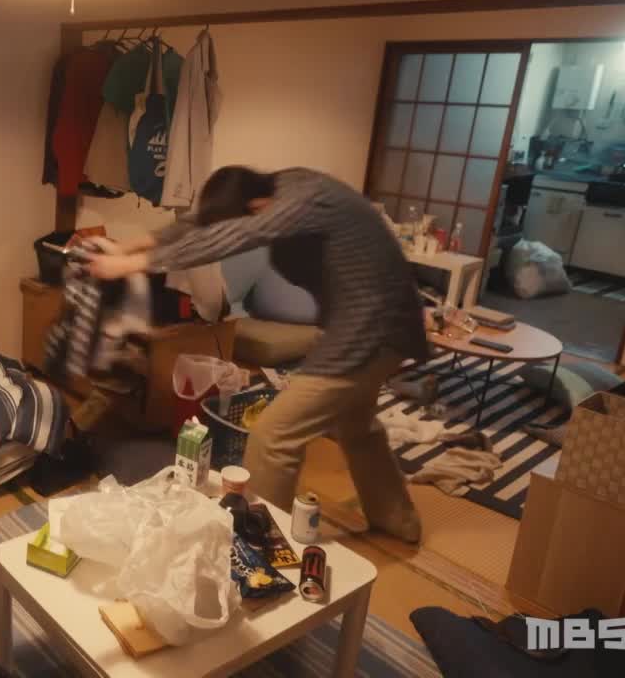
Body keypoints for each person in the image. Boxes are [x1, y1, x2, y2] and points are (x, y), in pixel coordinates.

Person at [89, 166, 428, 543]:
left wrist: (130, 265)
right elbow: (197, 225)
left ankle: (260, 546)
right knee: (357, 425)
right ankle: (399, 521)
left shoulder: (303, 199)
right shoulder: (271, 193)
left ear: (256, 208)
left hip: (371, 329)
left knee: (273, 437)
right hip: (366, 324)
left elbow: (234, 235)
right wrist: (128, 247)